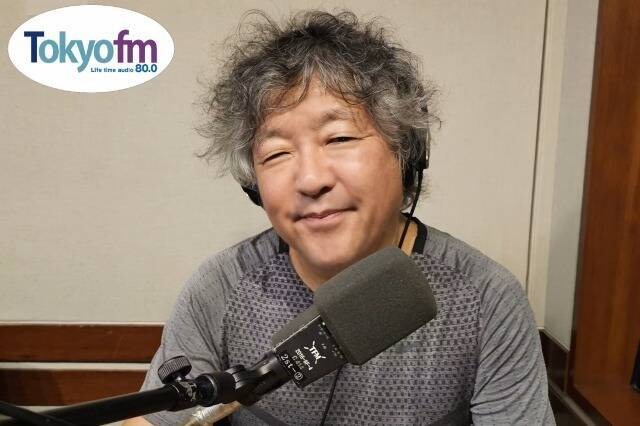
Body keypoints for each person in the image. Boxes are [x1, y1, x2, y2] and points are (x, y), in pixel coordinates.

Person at [124, 9, 554, 425]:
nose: (311, 179)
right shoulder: (221, 288)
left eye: (340, 138)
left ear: (405, 154)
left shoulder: (484, 299)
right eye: (277, 153)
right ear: (253, 184)